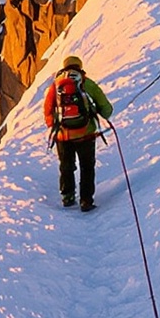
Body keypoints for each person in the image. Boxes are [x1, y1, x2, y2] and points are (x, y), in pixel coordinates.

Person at [43, 55, 113, 210]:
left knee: (66, 166)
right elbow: (106, 109)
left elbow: (48, 109)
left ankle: (67, 197)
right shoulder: (87, 84)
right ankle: (86, 200)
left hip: (63, 134)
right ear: (80, 68)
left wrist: (53, 125)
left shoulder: (56, 85)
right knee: (87, 166)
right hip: (85, 133)